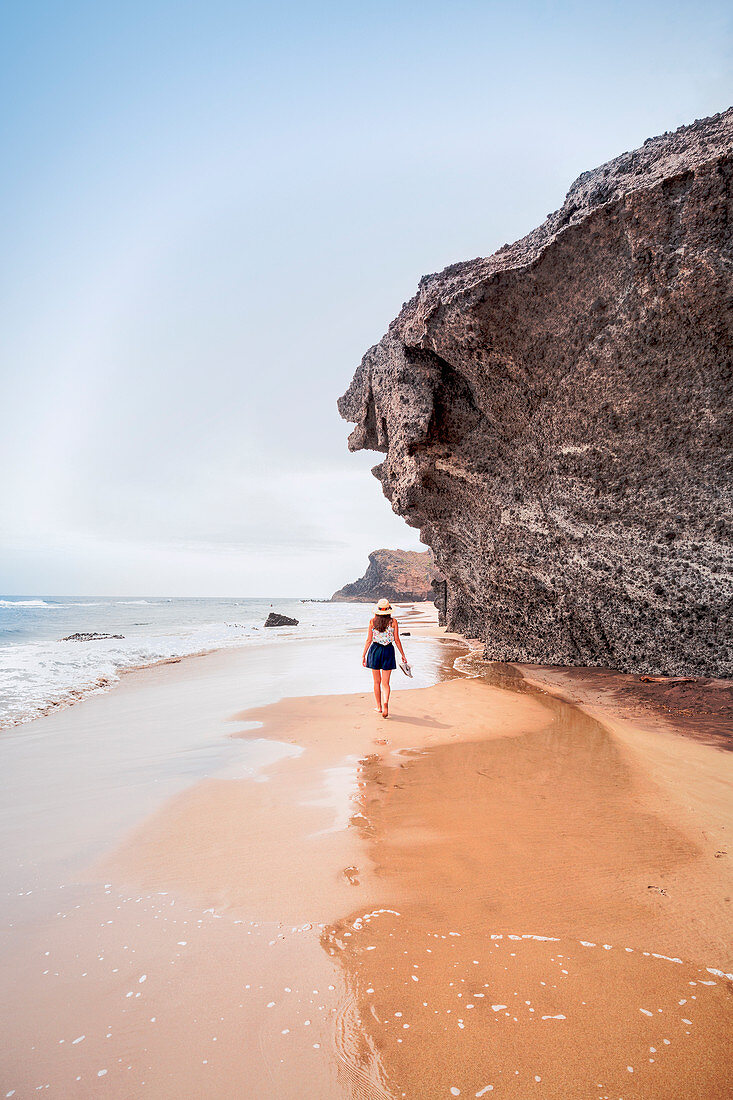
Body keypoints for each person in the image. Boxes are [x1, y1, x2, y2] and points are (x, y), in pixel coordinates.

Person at [362, 598, 407, 719]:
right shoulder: (393, 622)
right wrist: (403, 654)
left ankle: (379, 707)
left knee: (376, 682)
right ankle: (386, 702)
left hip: (375, 651)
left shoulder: (372, 621)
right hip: (388, 650)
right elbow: (397, 640)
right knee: (385, 683)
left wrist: (363, 655)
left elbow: (369, 640)